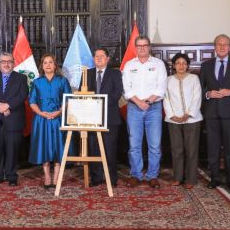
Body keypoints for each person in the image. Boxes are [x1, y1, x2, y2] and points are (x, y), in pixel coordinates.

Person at [200, 34, 230, 192]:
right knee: (212, 148)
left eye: (225, 44)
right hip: (211, 113)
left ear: (229, 47)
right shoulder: (206, 65)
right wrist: (208, 94)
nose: (222, 47)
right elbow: (200, 88)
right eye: (219, 44)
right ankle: (214, 178)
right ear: (215, 47)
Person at [122, 35, 167, 189]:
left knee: (154, 145)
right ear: (135, 48)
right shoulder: (129, 65)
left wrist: (147, 102)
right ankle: (136, 174)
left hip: (153, 108)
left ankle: (152, 176)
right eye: (139, 46)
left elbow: (161, 88)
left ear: (149, 47)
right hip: (134, 108)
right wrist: (139, 102)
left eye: (144, 45)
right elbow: (126, 89)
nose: (142, 48)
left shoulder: (158, 64)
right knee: (134, 145)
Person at [0, 52, 29, 186]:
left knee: (12, 149)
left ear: (13, 63)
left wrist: (8, 105)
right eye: (3, 61)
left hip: (13, 118)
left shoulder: (21, 78)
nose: (6, 64)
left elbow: (22, 95)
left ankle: (11, 176)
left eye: (9, 61)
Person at [81, 48, 123, 187]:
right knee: (94, 148)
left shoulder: (115, 74)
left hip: (110, 117)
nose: (99, 58)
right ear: (93, 58)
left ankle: (111, 179)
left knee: (110, 149)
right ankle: (97, 177)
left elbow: (117, 93)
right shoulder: (87, 74)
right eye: (96, 56)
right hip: (91, 118)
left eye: (102, 56)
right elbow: (83, 93)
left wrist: (99, 103)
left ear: (107, 58)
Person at [29, 54, 71, 189]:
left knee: (58, 147)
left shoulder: (62, 81)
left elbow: (68, 99)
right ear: (42, 65)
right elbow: (32, 102)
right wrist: (41, 113)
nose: (48, 65)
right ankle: (47, 176)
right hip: (42, 120)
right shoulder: (37, 82)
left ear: (55, 65)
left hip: (58, 118)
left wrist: (58, 112)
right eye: (45, 62)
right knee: (44, 147)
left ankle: (57, 177)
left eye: (50, 62)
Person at [163, 53, 203, 189]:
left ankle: (191, 179)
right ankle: (178, 177)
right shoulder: (168, 80)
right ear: (174, 65)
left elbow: (197, 97)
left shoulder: (194, 78)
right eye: (178, 63)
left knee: (191, 150)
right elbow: (165, 98)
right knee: (176, 150)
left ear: (187, 65)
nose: (181, 66)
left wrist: (188, 114)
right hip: (173, 120)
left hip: (192, 120)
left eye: (184, 63)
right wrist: (172, 115)